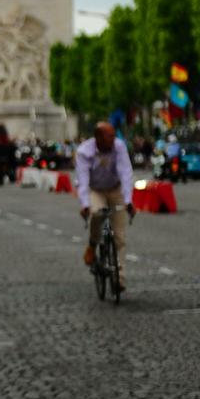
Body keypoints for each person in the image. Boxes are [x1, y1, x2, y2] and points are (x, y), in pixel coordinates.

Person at [76, 122, 135, 291]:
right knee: (97, 213)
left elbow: (126, 173)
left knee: (120, 238)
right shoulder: (84, 151)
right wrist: (85, 205)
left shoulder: (119, 146)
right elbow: (83, 180)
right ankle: (93, 244)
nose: (113, 139)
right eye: (110, 136)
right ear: (98, 138)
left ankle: (119, 280)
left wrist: (128, 201)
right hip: (95, 190)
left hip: (115, 188)